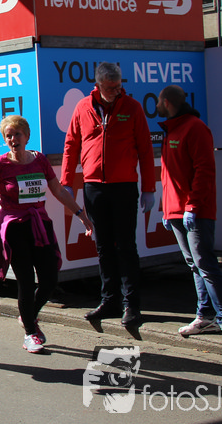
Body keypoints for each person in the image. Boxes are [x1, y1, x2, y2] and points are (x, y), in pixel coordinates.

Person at [0, 115, 93, 353]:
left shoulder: (40, 160)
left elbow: (58, 190)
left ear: (26, 136)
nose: (13, 139)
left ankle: (28, 315)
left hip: (39, 224)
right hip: (14, 228)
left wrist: (81, 214)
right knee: (25, 281)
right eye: (8, 135)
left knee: (50, 279)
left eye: (17, 134)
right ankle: (30, 333)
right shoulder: (0, 164)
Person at [61, 62, 155, 327]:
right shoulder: (83, 107)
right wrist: (67, 182)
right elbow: (71, 145)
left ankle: (131, 304)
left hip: (124, 186)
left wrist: (149, 188)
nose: (116, 91)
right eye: (110, 87)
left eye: (118, 86)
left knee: (126, 246)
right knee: (103, 246)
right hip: (94, 186)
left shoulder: (132, 107)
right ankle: (109, 300)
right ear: (98, 85)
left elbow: (145, 149)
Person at [156, 86, 222, 347]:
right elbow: (170, 175)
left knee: (205, 264)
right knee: (195, 265)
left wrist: (192, 206)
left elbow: (204, 169)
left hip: (194, 210)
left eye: (159, 101)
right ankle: (205, 315)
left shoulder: (194, 128)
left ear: (167, 102)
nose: (156, 105)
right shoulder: (172, 130)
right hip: (176, 211)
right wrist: (167, 209)